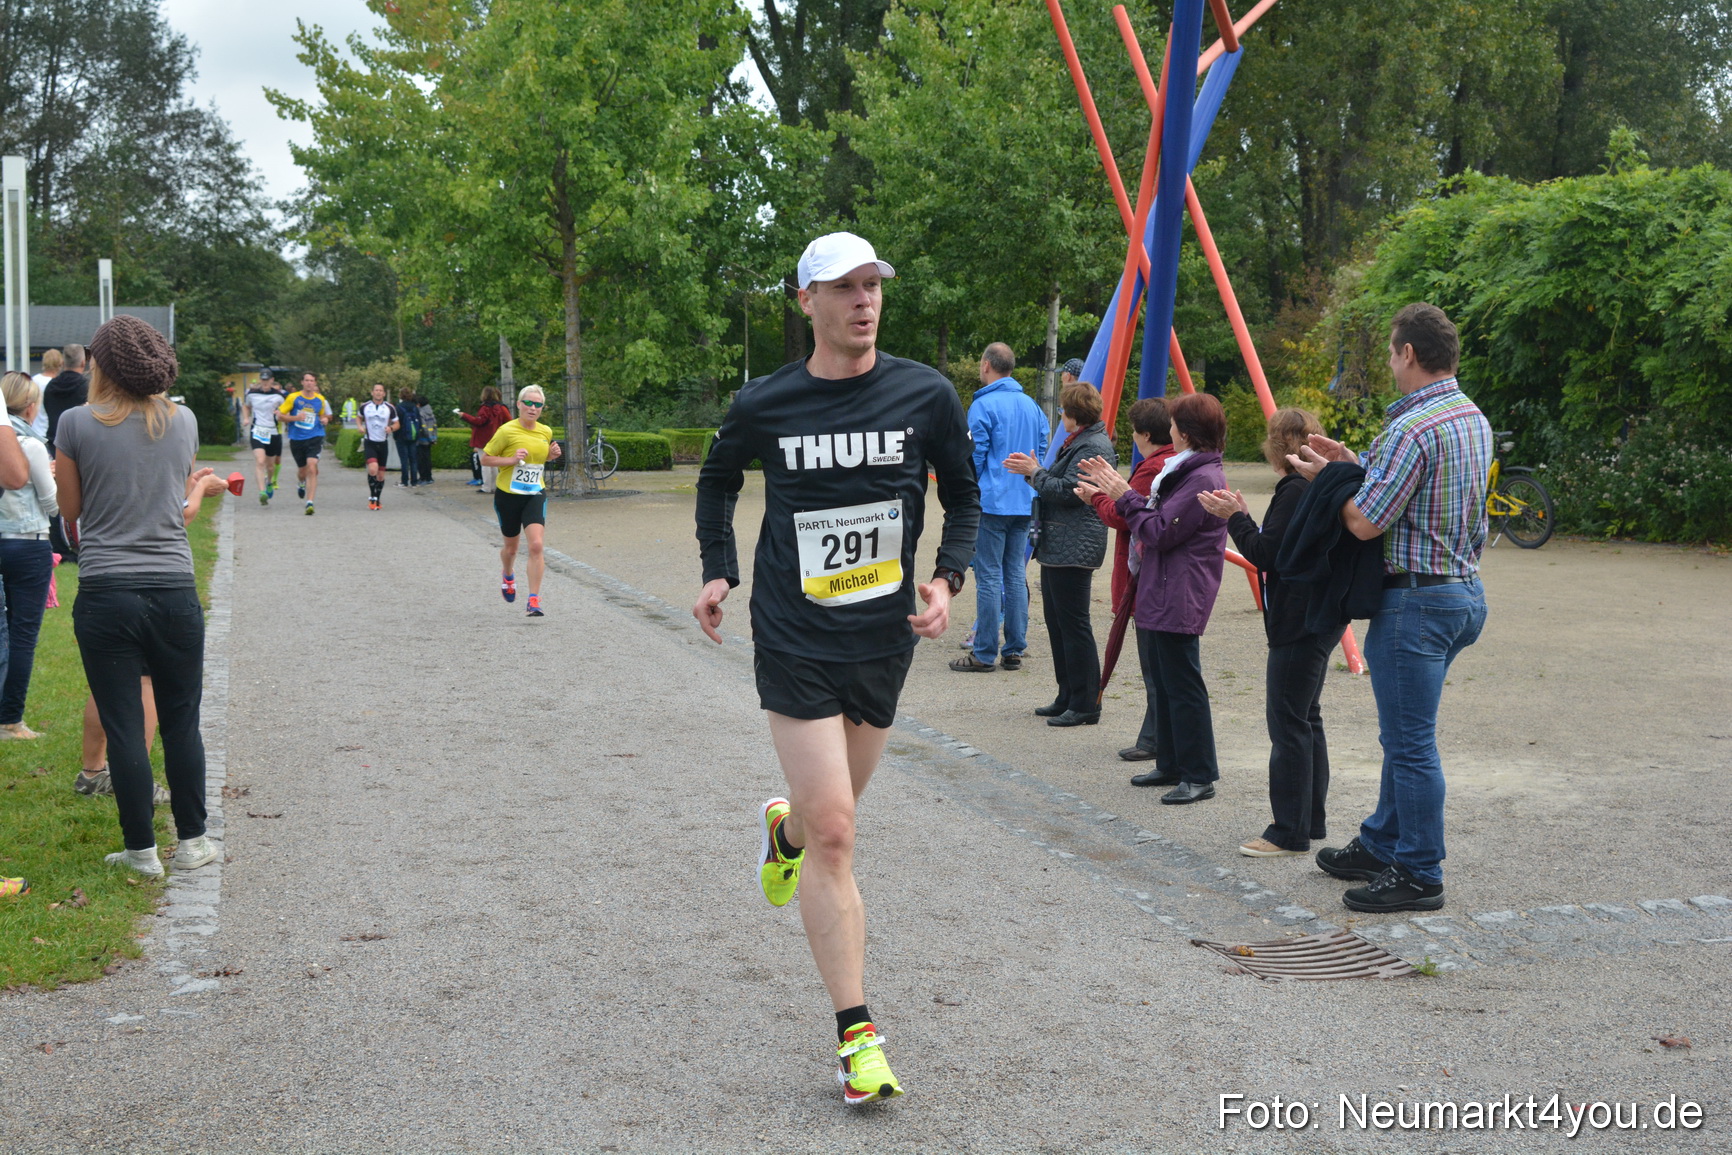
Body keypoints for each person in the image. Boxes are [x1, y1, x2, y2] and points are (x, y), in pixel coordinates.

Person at [692, 231, 979, 1106]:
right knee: (841, 834)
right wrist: (718, 566)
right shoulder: (766, 401)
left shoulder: (925, 392)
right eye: (845, 287)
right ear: (806, 301)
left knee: (827, 820)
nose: (864, 300)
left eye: (874, 286)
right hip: (794, 635)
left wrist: (945, 579)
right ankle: (858, 1039)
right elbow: (716, 480)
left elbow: (963, 496)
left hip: (883, 638)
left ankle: (782, 832)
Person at [1289, 303, 1491, 913]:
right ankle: (1383, 841)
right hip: (1461, 592)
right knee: (1406, 734)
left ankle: (1420, 871)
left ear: (1407, 353)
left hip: (1415, 602)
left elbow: (1364, 521)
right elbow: (1418, 492)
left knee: (1409, 744)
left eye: (1389, 352)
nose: (1388, 362)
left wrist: (1330, 483)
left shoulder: (1411, 427)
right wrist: (1351, 465)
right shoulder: (1470, 417)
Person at [53, 314, 228, 877]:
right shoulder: (184, 421)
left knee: (125, 722)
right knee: (182, 720)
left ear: (100, 366)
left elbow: (72, 512)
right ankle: (194, 841)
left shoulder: (77, 423)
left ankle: (141, 851)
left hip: (107, 590)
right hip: (173, 588)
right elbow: (172, 500)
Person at [1199, 408, 1345, 854]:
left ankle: (1288, 831)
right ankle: (1309, 820)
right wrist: (1244, 515)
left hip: (1299, 617)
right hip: (1323, 612)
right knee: (1307, 718)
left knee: (1287, 722)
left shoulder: (1294, 488)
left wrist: (1234, 518)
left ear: (1277, 445)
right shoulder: (1322, 484)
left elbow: (1268, 554)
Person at [1078, 391, 1228, 804]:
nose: (1171, 430)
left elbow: (1160, 530)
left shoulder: (1202, 477)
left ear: (1188, 432)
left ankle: (1199, 774)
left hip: (1180, 591)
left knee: (1183, 684)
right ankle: (1171, 762)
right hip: (1162, 586)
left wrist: (1123, 494)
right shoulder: (1186, 469)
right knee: (1164, 681)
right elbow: (1155, 518)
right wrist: (1120, 495)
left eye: (1177, 424)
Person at [1005, 382, 1114, 727]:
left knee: (1074, 625)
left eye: (1063, 411)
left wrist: (1033, 473)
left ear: (1074, 414)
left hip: (1074, 546)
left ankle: (1085, 702)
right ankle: (1067, 694)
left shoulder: (1092, 446)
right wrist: (1036, 471)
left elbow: (1067, 492)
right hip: (1060, 544)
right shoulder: (1080, 442)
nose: (1060, 416)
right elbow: (1057, 481)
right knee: (1058, 623)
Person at [1084, 397, 1175, 770]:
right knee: (1161, 666)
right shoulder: (1171, 463)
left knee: (1154, 666)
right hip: (1160, 577)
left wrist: (1097, 498)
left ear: (1145, 434)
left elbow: (1126, 516)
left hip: (1144, 577)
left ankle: (1155, 740)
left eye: (1135, 432)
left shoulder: (1151, 468)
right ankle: (1155, 737)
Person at [950, 343, 1046, 673]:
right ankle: (1015, 648)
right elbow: (1042, 452)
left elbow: (975, 457)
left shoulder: (983, 405)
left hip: (991, 502)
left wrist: (966, 495)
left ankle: (985, 652)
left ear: (987, 365)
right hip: (1024, 499)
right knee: (1015, 575)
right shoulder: (1032, 406)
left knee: (989, 576)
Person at [0, 373, 58, 740]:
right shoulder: (32, 445)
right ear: (31, 406)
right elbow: (54, 505)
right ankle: (10, 719)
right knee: (23, 635)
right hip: (28, 541)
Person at [479, 385, 562, 616]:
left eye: (538, 405)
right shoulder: (506, 431)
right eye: (528, 403)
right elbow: (485, 459)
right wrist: (511, 460)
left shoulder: (545, 431)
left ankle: (534, 599)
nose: (533, 408)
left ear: (542, 408)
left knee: (536, 545)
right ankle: (508, 574)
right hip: (508, 495)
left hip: (535, 493)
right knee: (511, 548)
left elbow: (539, 458)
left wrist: (551, 455)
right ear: (519, 404)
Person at [279, 372, 331, 515]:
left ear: (315, 383)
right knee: (302, 471)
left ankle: (310, 502)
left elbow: (322, 414)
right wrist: (296, 417)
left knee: (312, 467)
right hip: (297, 438)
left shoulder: (320, 399)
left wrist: (324, 419)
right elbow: (280, 416)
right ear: (302, 382)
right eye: (306, 380)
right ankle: (301, 483)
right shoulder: (293, 397)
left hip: (315, 436)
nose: (309, 383)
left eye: (312, 381)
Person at [457, 387, 512, 491]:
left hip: (483, 439)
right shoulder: (502, 408)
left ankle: (486, 487)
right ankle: (496, 486)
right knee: (494, 463)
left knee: (485, 463)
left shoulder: (485, 408)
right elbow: (510, 422)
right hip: (496, 438)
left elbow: (479, 422)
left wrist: (464, 415)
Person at [244, 369, 285, 504]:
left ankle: (269, 482)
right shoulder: (252, 394)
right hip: (257, 431)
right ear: (260, 380)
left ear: (272, 380)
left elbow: (285, 410)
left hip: (273, 432)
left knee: (270, 466)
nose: (265, 382)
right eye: (263, 380)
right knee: (260, 461)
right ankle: (262, 492)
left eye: (267, 380)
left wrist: (280, 414)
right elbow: (246, 406)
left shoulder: (278, 396)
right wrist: (246, 418)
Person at [356, 382, 399, 510]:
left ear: (384, 393)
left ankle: (377, 499)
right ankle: (373, 497)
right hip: (370, 442)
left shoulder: (389, 407)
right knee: (373, 469)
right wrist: (360, 427)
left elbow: (397, 424)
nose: (378, 392)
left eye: (381, 390)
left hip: (383, 443)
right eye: (376, 390)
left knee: (380, 475)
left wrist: (391, 428)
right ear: (372, 392)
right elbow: (358, 417)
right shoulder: (365, 406)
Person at [42, 343, 89, 456]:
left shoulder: (50, 386)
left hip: (54, 443)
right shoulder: (86, 388)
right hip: (79, 447)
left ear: (63, 363)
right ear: (83, 363)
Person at [393, 387, 422, 488]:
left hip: (401, 436)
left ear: (400, 395)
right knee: (413, 460)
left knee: (404, 460)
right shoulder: (415, 407)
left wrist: (395, 436)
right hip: (413, 437)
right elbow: (420, 422)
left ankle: (404, 481)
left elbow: (396, 423)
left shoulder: (399, 407)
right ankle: (414, 482)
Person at [29, 348, 61, 439]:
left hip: (35, 431)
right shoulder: (57, 384)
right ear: (60, 363)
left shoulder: (34, 380)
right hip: (51, 432)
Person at [415, 393, 438, 485]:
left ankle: (423, 478)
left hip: (422, 439)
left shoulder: (421, 413)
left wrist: (427, 437)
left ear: (419, 404)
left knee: (421, 460)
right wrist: (433, 438)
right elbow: (435, 425)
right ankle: (429, 477)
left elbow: (423, 427)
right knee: (427, 459)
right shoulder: (430, 412)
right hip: (430, 439)